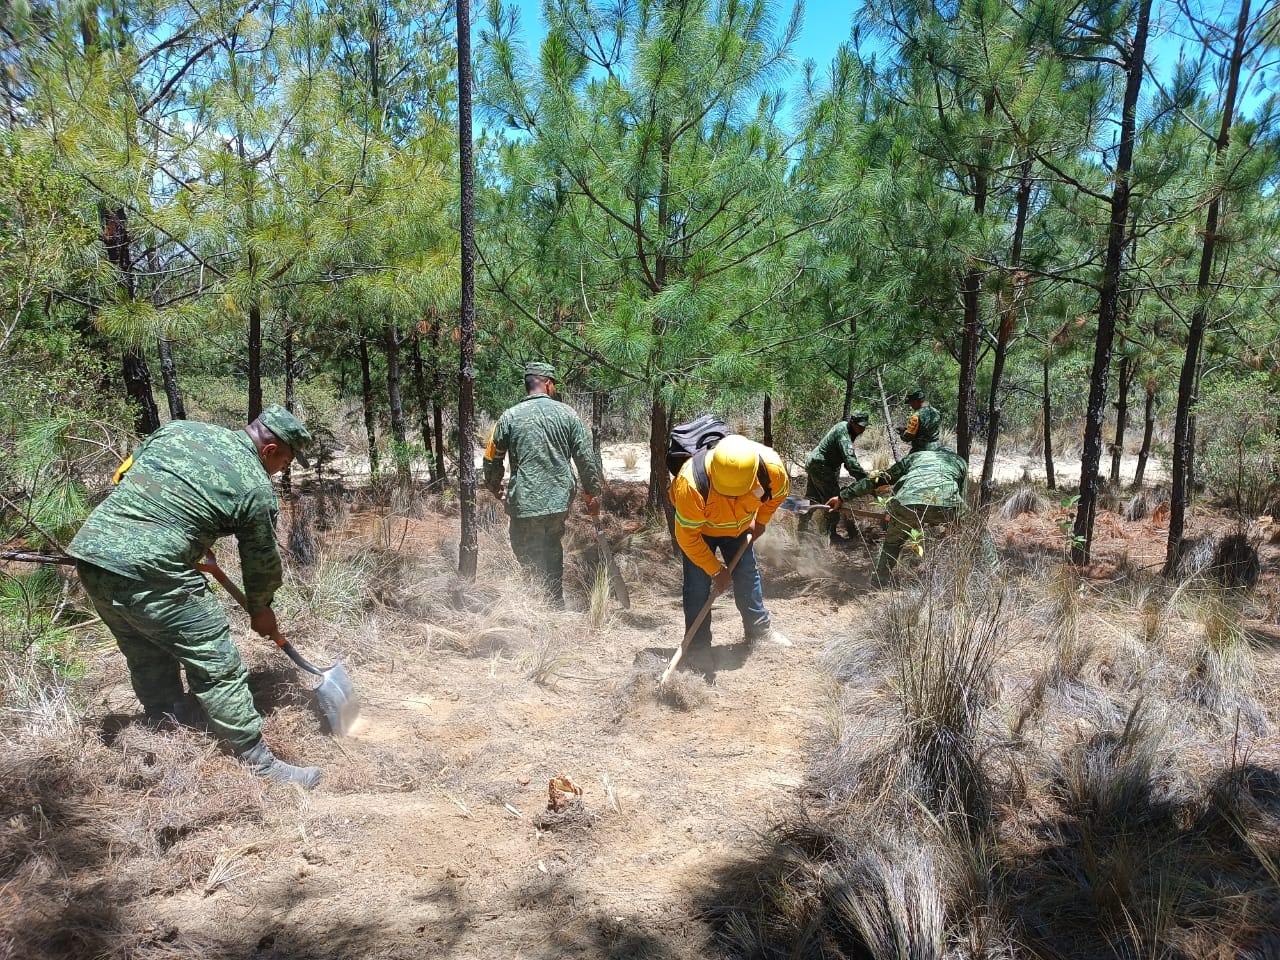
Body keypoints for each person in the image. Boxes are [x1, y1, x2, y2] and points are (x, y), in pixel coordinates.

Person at [68, 405, 322, 788]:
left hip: (93, 556)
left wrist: (184, 530)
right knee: (216, 662)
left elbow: (125, 475)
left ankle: (168, 725)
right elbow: (261, 563)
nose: (283, 470)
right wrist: (261, 609)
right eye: (286, 461)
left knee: (144, 647)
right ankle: (259, 762)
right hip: (153, 570)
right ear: (270, 450)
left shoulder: (178, 430)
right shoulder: (255, 486)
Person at [483, 361, 602, 608]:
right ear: (547, 384)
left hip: (524, 501)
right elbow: (586, 459)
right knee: (551, 546)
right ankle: (554, 602)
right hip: (558, 500)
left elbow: (492, 456)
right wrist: (592, 493)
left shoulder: (509, 416)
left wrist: (494, 485)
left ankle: (534, 603)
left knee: (526, 549)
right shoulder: (568, 414)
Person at [670, 433, 790, 655]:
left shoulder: (771, 469)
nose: (732, 498)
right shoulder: (691, 484)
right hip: (701, 533)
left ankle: (759, 631)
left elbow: (778, 494)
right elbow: (687, 537)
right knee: (697, 587)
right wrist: (715, 570)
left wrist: (760, 521)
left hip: (739, 529)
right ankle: (697, 648)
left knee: (747, 574)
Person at [829, 416, 969, 581]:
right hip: (947, 507)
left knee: (891, 545)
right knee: (979, 531)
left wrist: (842, 497)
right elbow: (960, 498)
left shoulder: (916, 457)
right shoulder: (959, 461)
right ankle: (992, 571)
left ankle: (879, 583)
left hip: (905, 505)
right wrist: (957, 523)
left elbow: (879, 479)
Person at [799, 412, 870, 543]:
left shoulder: (845, 429)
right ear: (852, 422)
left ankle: (801, 529)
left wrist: (857, 473)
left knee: (811, 498)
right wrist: (867, 481)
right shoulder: (844, 434)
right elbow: (851, 463)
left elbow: (848, 463)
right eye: (860, 426)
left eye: (864, 427)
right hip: (822, 466)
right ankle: (830, 535)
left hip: (815, 463)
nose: (862, 430)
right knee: (834, 499)